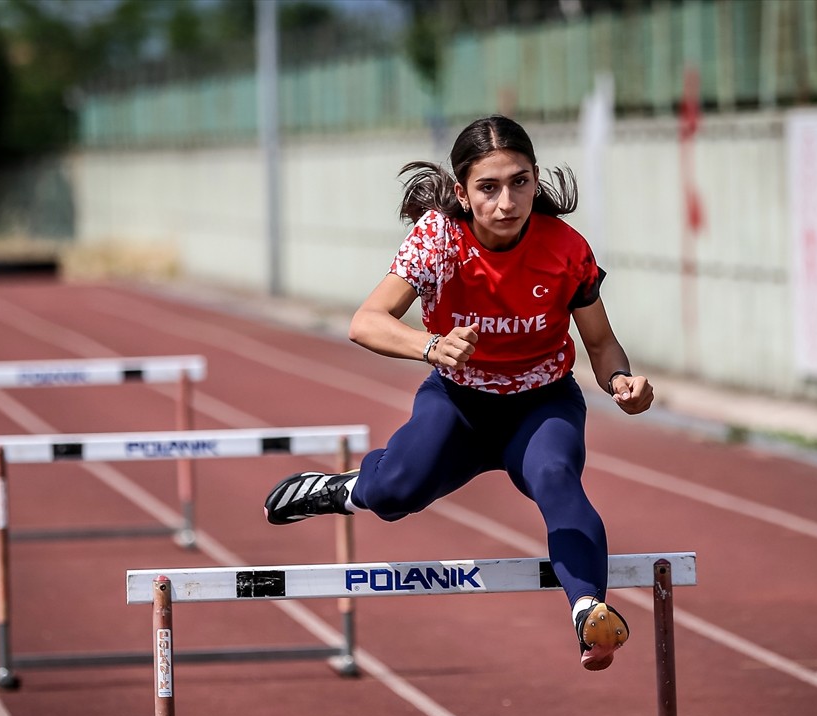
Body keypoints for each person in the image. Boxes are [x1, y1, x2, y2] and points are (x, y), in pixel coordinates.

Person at [264, 114, 654, 671]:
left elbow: (601, 342)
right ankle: (349, 488)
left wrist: (620, 383)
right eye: (488, 188)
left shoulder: (566, 248)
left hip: (541, 404)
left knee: (555, 478)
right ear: (462, 193)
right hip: (459, 403)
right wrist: (431, 346)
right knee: (395, 494)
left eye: (519, 182)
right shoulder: (438, 239)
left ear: (536, 179)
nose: (506, 203)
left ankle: (589, 613)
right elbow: (365, 321)